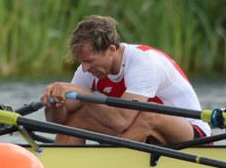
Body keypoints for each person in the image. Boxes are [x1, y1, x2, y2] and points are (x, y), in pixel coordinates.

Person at [42, 15, 210, 145]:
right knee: (77, 117)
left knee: (147, 113)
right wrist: (56, 103)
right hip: (141, 133)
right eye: (82, 62)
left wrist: (82, 94)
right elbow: (59, 121)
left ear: (111, 50)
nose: (85, 69)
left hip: (192, 135)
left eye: (90, 61)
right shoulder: (89, 70)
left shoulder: (143, 62)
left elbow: (121, 121)